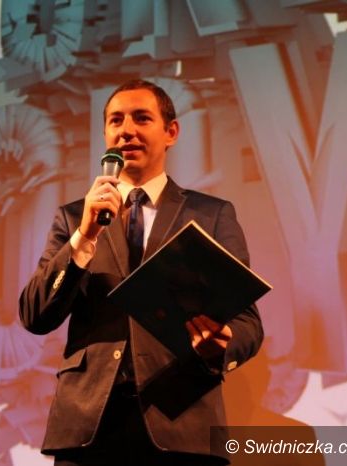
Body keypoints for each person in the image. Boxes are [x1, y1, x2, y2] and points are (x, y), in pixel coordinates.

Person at [19, 79, 264, 465]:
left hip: (181, 422)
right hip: (89, 428)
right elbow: (35, 315)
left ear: (171, 132)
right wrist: (84, 237)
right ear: (105, 134)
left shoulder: (210, 214)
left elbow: (247, 322)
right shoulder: (74, 218)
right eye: (116, 120)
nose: (126, 130)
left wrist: (222, 344)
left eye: (142, 118)